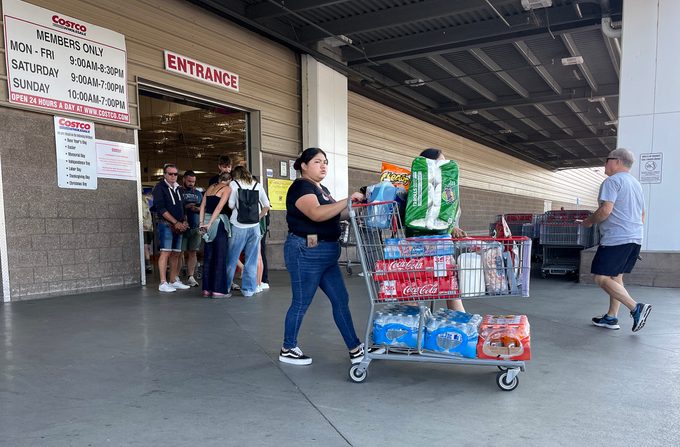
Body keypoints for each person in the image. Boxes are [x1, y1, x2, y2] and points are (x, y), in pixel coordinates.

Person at [278, 147, 366, 366]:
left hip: (326, 253)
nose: (323, 165)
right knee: (301, 302)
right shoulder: (301, 187)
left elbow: (336, 213)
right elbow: (316, 214)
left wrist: (356, 205)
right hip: (306, 252)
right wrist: (347, 200)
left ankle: (354, 348)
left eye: (325, 161)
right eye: (317, 161)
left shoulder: (321, 189)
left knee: (340, 299)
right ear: (304, 165)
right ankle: (288, 347)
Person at [581, 148, 651, 332]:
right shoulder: (636, 184)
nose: (605, 163)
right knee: (615, 277)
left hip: (616, 238)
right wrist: (633, 235)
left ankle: (636, 308)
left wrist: (588, 222)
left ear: (617, 161)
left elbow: (605, 210)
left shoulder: (612, 181)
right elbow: (642, 214)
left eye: (607, 160)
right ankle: (611, 318)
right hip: (634, 237)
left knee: (600, 277)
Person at [411, 148, 466, 312]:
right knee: (414, 293)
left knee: (451, 291)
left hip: (441, 250)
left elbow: (450, 215)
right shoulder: (418, 188)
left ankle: (463, 329)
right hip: (420, 251)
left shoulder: (447, 187)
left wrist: (454, 227)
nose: (444, 165)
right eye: (440, 161)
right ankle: (408, 330)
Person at [225, 166, 271, 297]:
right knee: (251, 260)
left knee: (231, 258)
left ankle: (226, 287)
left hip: (238, 225)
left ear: (235, 175)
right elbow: (266, 205)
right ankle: (248, 290)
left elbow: (231, 205)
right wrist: (257, 217)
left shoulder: (234, 184)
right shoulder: (257, 185)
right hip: (254, 226)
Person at [152, 164, 190, 293]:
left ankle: (173, 280)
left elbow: (183, 207)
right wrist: (175, 222)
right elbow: (161, 208)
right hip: (165, 224)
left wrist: (184, 221)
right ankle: (163, 282)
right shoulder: (159, 188)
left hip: (178, 225)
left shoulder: (179, 188)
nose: (173, 176)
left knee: (176, 253)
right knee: (165, 252)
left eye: (175, 174)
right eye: (170, 174)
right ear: (164, 174)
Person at [198, 173, 231, 298]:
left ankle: (206, 289)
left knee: (208, 256)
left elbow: (202, 206)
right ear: (229, 180)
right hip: (218, 223)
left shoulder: (210, 188)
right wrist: (210, 223)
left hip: (205, 221)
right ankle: (218, 290)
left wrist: (202, 223)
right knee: (220, 256)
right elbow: (219, 207)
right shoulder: (227, 189)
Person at [179, 170, 203, 287]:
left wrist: (196, 209)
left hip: (195, 225)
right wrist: (185, 207)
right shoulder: (178, 191)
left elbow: (204, 208)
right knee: (179, 252)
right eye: (189, 181)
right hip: (182, 226)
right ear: (184, 179)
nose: (191, 183)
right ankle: (176, 276)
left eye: (193, 181)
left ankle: (191, 276)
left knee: (193, 251)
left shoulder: (198, 193)